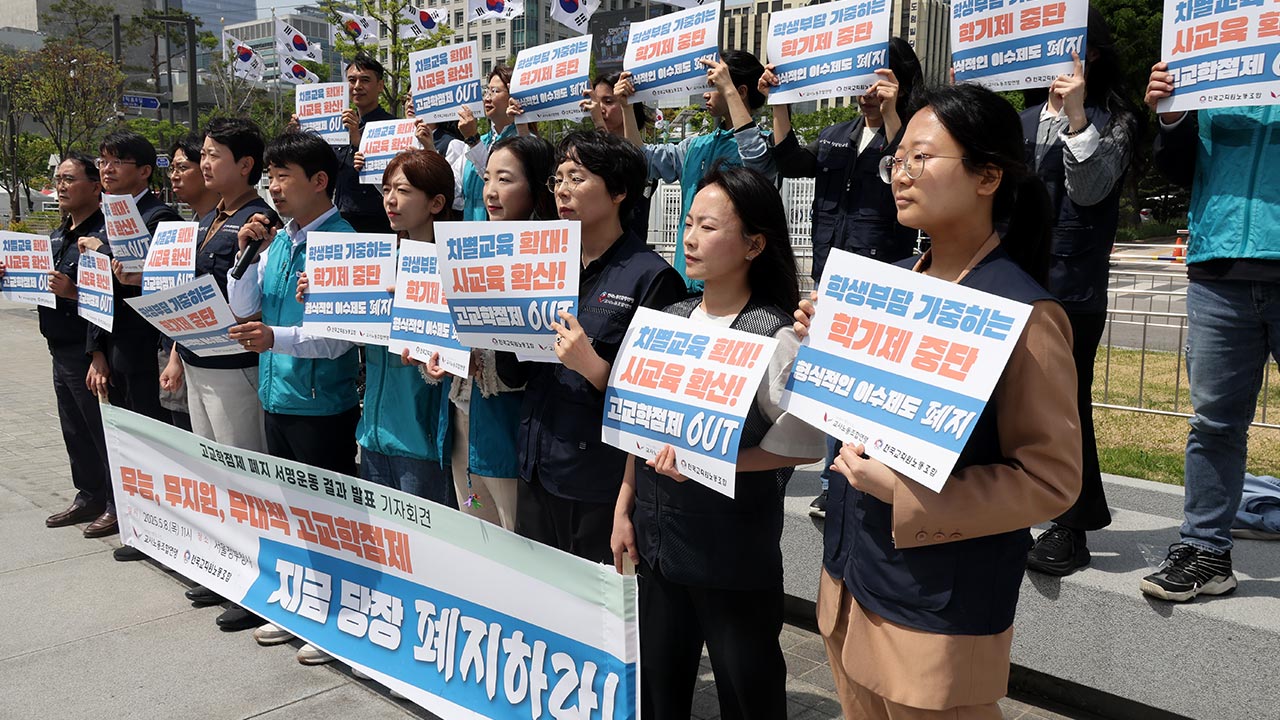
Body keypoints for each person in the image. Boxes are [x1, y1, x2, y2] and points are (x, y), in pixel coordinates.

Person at [808, 83, 1081, 718]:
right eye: (897, 159)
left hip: (937, 608)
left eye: (921, 158)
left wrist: (906, 494)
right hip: (849, 578)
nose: (901, 174)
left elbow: (1050, 479)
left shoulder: (1025, 313)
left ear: (988, 176)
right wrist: (822, 346)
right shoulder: (890, 286)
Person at [611, 165, 825, 720]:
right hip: (659, 544)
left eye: (708, 227)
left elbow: (804, 446)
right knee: (657, 693)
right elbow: (639, 425)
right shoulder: (669, 319)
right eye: (688, 223)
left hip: (733, 555)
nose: (689, 239)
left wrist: (710, 462)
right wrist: (624, 507)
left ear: (755, 244)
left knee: (747, 694)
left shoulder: (775, 333)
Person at [496, 130, 686, 563]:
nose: (562, 190)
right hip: (536, 466)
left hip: (597, 484)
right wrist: (501, 326)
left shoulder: (652, 279)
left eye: (577, 178)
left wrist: (594, 367)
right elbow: (514, 374)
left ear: (618, 191)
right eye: (557, 179)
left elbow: (654, 404)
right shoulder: (543, 267)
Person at [761, 38, 923, 519]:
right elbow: (792, 161)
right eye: (863, 80)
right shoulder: (837, 135)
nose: (869, 91)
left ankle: (874, 476)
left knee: (874, 385)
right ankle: (836, 480)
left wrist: (894, 115)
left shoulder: (913, 135)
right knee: (834, 381)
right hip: (832, 274)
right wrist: (781, 100)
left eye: (881, 80)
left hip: (885, 276)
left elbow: (909, 170)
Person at [1139, 62, 1280, 602]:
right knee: (1214, 423)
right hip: (1218, 268)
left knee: (1215, 424)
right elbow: (1178, 168)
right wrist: (1172, 116)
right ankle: (1205, 552)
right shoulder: (1217, 59)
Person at [224, 131, 360, 658]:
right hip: (277, 396)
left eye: (284, 177)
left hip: (321, 406)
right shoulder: (279, 239)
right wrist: (243, 253)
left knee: (327, 520)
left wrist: (273, 338)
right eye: (271, 177)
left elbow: (338, 339)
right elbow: (244, 306)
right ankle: (302, 605)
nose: (274, 188)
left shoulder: (344, 242)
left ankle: (335, 620)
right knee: (291, 514)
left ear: (319, 180)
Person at [1022, 11, 1142, 577]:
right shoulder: (1019, 121)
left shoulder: (1115, 120)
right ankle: (1006, 501)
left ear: (1092, 54)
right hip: (1011, 280)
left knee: (1065, 405)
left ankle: (1071, 526)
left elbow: (1091, 190)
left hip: (1072, 288)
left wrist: (1075, 118)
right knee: (1006, 402)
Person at [142, 119, 274, 588]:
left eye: (214, 155)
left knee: (244, 470)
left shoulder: (260, 222)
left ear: (246, 164)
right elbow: (190, 295)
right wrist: (176, 356)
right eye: (204, 154)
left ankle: (255, 576)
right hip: (198, 362)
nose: (204, 164)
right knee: (213, 468)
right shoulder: (204, 221)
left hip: (235, 366)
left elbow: (254, 299)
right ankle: (225, 564)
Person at [298, 148, 456, 506]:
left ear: (436, 202)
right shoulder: (380, 262)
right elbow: (346, 335)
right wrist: (320, 296)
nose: (390, 200)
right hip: (372, 434)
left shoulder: (453, 267)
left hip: (424, 443)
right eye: (386, 190)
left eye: (403, 190)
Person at [422, 135, 557, 530]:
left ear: (536, 186)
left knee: (514, 538)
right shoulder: (469, 247)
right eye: (486, 179)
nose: (491, 192)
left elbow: (542, 359)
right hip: (463, 424)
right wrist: (438, 358)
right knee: (474, 533)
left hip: (509, 434)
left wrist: (485, 361)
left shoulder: (551, 259)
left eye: (506, 179)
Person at [76, 131, 184, 538]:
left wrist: (101, 251)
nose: (106, 169)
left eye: (117, 161)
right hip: (112, 345)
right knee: (122, 436)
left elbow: (157, 277)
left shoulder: (160, 218)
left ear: (144, 171)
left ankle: (159, 525)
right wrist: (95, 352)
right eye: (103, 161)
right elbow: (95, 292)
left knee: (150, 436)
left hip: (146, 346)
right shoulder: (106, 217)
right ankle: (128, 513)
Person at [0, 154, 114, 536]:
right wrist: (9, 276)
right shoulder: (56, 235)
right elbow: (40, 285)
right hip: (58, 348)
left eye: (69, 178)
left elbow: (108, 299)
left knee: (100, 431)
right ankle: (89, 495)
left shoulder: (102, 238)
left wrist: (73, 294)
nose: (61, 186)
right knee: (74, 430)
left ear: (95, 186)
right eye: (58, 179)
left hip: (90, 351)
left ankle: (116, 503)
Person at [616, 50, 777, 288]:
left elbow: (756, 161)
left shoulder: (763, 144)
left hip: (736, 288)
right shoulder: (696, 145)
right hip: (687, 279)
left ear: (740, 91)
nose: (705, 94)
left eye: (712, 85)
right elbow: (642, 161)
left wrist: (728, 89)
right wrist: (626, 107)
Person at [581, 71, 656, 242]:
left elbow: (620, 164)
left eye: (608, 101)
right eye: (596, 102)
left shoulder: (649, 156)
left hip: (629, 247)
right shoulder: (587, 152)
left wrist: (599, 122)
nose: (599, 108)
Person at [331, 52, 395, 234]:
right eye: (352, 80)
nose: (357, 86)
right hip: (341, 221)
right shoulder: (337, 126)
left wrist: (359, 142)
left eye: (365, 80)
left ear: (380, 85)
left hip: (380, 223)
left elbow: (395, 175)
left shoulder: (393, 126)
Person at [459, 65, 518, 220]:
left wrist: (473, 139)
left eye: (495, 91)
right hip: (471, 230)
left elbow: (494, 178)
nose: (487, 98)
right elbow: (456, 190)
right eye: (486, 91)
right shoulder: (481, 141)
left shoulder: (523, 140)